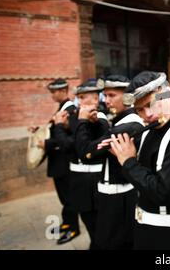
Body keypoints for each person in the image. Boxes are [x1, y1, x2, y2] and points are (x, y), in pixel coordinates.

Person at [109, 71, 170, 250]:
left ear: (167, 94)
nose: (147, 114)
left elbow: (162, 192)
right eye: (139, 109)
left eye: (151, 104)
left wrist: (128, 161)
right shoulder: (149, 131)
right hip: (146, 230)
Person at [78, 75, 143, 250]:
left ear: (128, 97)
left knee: (111, 244)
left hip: (118, 197)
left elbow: (85, 153)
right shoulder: (122, 122)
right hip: (115, 194)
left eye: (112, 95)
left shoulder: (127, 126)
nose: (106, 101)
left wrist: (82, 121)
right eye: (104, 96)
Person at [31, 79, 80, 244]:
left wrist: (46, 143)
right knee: (64, 197)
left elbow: (70, 139)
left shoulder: (71, 109)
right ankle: (67, 224)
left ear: (64, 90)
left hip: (64, 162)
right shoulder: (62, 108)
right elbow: (55, 131)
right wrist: (40, 131)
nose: (52, 95)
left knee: (70, 198)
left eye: (54, 92)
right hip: (58, 161)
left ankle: (73, 229)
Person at [63, 79, 109, 249]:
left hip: (97, 180)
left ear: (96, 99)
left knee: (102, 226)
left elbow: (85, 147)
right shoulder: (76, 116)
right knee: (88, 220)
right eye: (79, 98)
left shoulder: (102, 118)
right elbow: (69, 146)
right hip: (79, 182)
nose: (79, 102)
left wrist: (89, 120)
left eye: (83, 98)